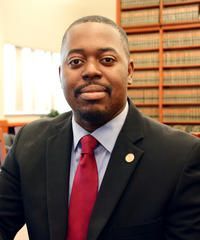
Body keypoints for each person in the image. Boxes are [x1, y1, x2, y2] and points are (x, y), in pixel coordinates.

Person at [0, 15, 200, 240]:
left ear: (130, 72)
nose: (90, 71)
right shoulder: (29, 142)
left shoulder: (180, 156)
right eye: (76, 61)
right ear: (60, 74)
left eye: (107, 60)